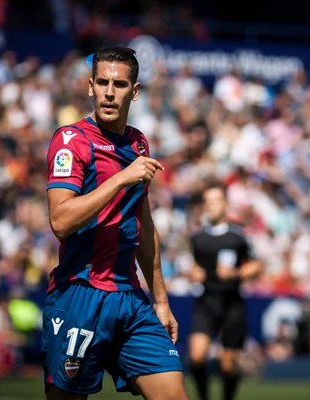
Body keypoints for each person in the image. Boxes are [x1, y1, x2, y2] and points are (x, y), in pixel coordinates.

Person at [42, 46, 188, 400]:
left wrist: (161, 300)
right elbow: (61, 221)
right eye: (102, 83)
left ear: (134, 91)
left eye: (119, 84)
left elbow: (144, 223)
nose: (110, 92)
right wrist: (121, 178)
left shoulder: (139, 144)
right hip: (79, 295)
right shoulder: (71, 141)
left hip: (130, 299)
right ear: (90, 86)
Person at [188, 181, 262, 400]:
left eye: (215, 201)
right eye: (207, 202)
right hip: (207, 301)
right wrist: (193, 272)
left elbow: (256, 265)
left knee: (228, 366)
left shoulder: (238, 236)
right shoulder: (198, 237)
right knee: (197, 357)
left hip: (232, 304)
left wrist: (237, 274)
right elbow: (193, 264)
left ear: (225, 204)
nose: (211, 206)